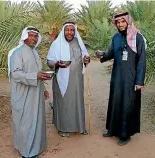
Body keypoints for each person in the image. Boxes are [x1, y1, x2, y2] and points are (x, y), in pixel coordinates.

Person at [96, 12, 146, 146]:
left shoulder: (137, 37)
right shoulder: (116, 37)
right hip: (117, 77)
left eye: (123, 21)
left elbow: (142, 60)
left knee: (128, 104)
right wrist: (102, 56)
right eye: (118, 22)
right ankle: (112, 130)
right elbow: (111, 53)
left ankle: (125, 134)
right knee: (115, 102)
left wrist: (139, 81)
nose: (120, 24)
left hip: (131, 78)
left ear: (128, 22)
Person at [7, 26, 51, 158]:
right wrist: (35, 76)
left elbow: (38, 72)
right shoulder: (17, 53)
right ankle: (26, 151)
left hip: (36, 93)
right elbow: (16, 74)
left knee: (36, 120)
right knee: (25, 121)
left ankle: (37, 146)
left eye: (35, 36)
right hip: (23, 94)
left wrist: (43, 89)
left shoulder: (35, 52)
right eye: (31, 35)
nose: (33, 38)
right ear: (25, 37)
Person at [47, 22, 90, 137]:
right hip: (61, 79)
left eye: (72, 30)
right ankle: (62, 127)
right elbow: (49, 61)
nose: (70, 32)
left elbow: (85, 57)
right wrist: (56, 63)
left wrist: (86, 60)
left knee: (77, 102)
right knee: (63, 103)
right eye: (67, 30)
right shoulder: (56, 44)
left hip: (77, 80)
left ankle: (80, 126)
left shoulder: (78, 43)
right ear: (63, 31)